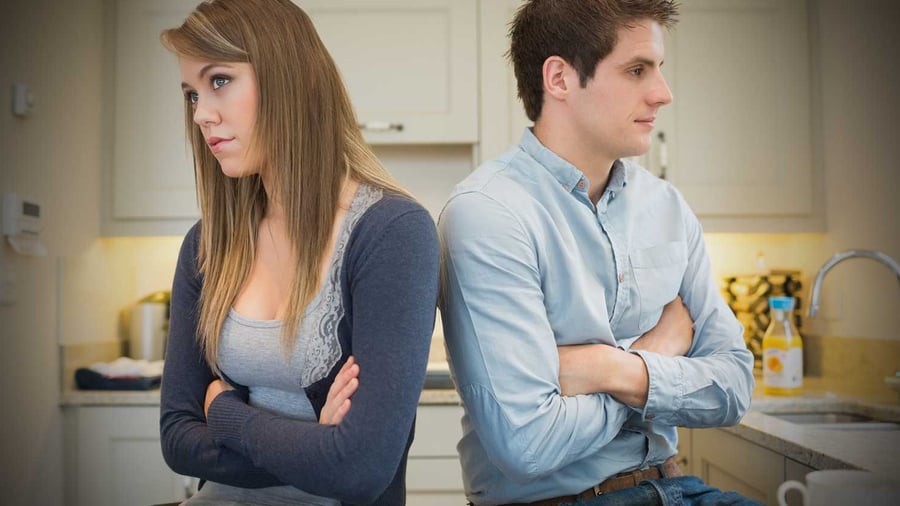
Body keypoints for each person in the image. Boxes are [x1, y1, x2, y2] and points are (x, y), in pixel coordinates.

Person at [438, 1, 758, 505]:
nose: (663, 93)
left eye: (658, 69)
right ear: (560, 79)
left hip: (677, 487)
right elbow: (528, 443)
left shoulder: (667, 207)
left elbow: (735, 387)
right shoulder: (489, 214)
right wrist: (657, 353)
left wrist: (610, 370)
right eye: (636, 70)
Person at [158, 0, 439, 504]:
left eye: (219, 80)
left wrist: (224, 414)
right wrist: (315, 447)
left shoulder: (393, 233)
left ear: (287, 77)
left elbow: (360, 469)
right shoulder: (207, 243)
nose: (201, 113)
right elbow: (177, 437)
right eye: (191, 94)